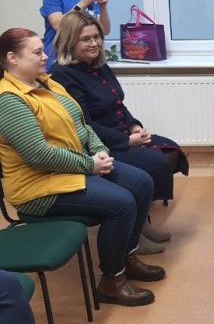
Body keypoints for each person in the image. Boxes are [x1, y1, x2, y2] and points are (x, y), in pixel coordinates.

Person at [0, 28, 165, 307]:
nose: (45, 56)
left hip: (70, 171)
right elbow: (39, 155)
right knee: (122, 203)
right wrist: (90, 164)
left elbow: (82, 125)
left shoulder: (47, 83)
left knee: (141, 182)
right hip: (38, 189)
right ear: (12, 58)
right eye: (37, 52)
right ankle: (112, 281)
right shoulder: (9, 100)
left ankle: (127, 256)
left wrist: (99, 150)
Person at [49, 11, 189, 255]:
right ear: (69, 41)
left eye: (97, 37)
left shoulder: (98, 64)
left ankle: (141, 221)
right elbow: (85, 124)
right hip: (98, 146)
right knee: (154, 162)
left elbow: (118, 102)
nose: (94, 43)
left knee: (171, 151)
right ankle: (133, 232)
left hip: (122, 132)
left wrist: (134, 125)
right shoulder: (62, 74)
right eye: (85, 39)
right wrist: (127, 141)